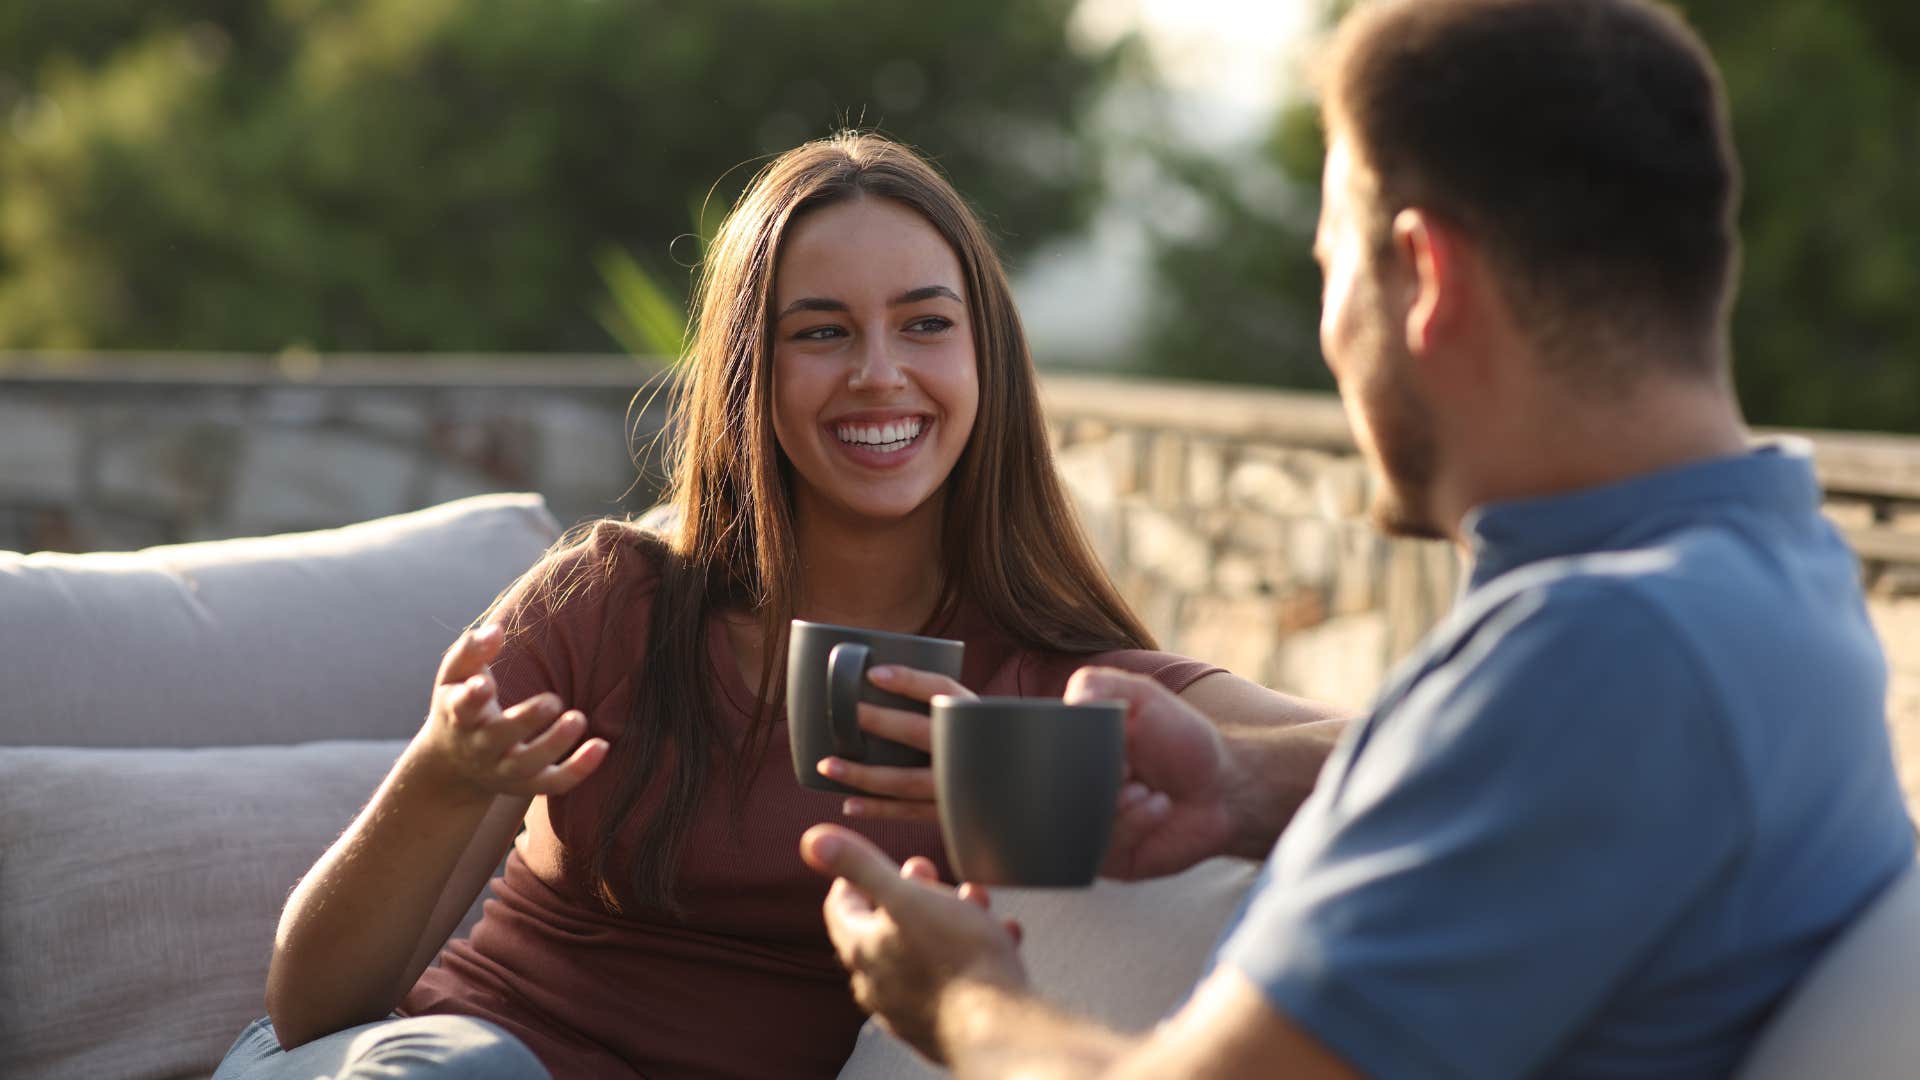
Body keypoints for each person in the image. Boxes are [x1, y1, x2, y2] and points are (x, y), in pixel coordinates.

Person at [801, 1, 1919, 1076]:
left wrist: (964, 1002)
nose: (1332, 327)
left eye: (1330, 263)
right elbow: (1548, 810)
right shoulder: (1770, 563)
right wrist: (1240, 787)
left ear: (1423, 276)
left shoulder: (1609, 644)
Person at [212, 132, 1344, 1080]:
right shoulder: (612, 603)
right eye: (822, 332)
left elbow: (1394, 749)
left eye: (925, 323)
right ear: (753, 368)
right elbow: (315, 1009)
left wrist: (1145, 769)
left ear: (985, 358)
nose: (879, 374)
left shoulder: (1038, 680)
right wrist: (444, 771)